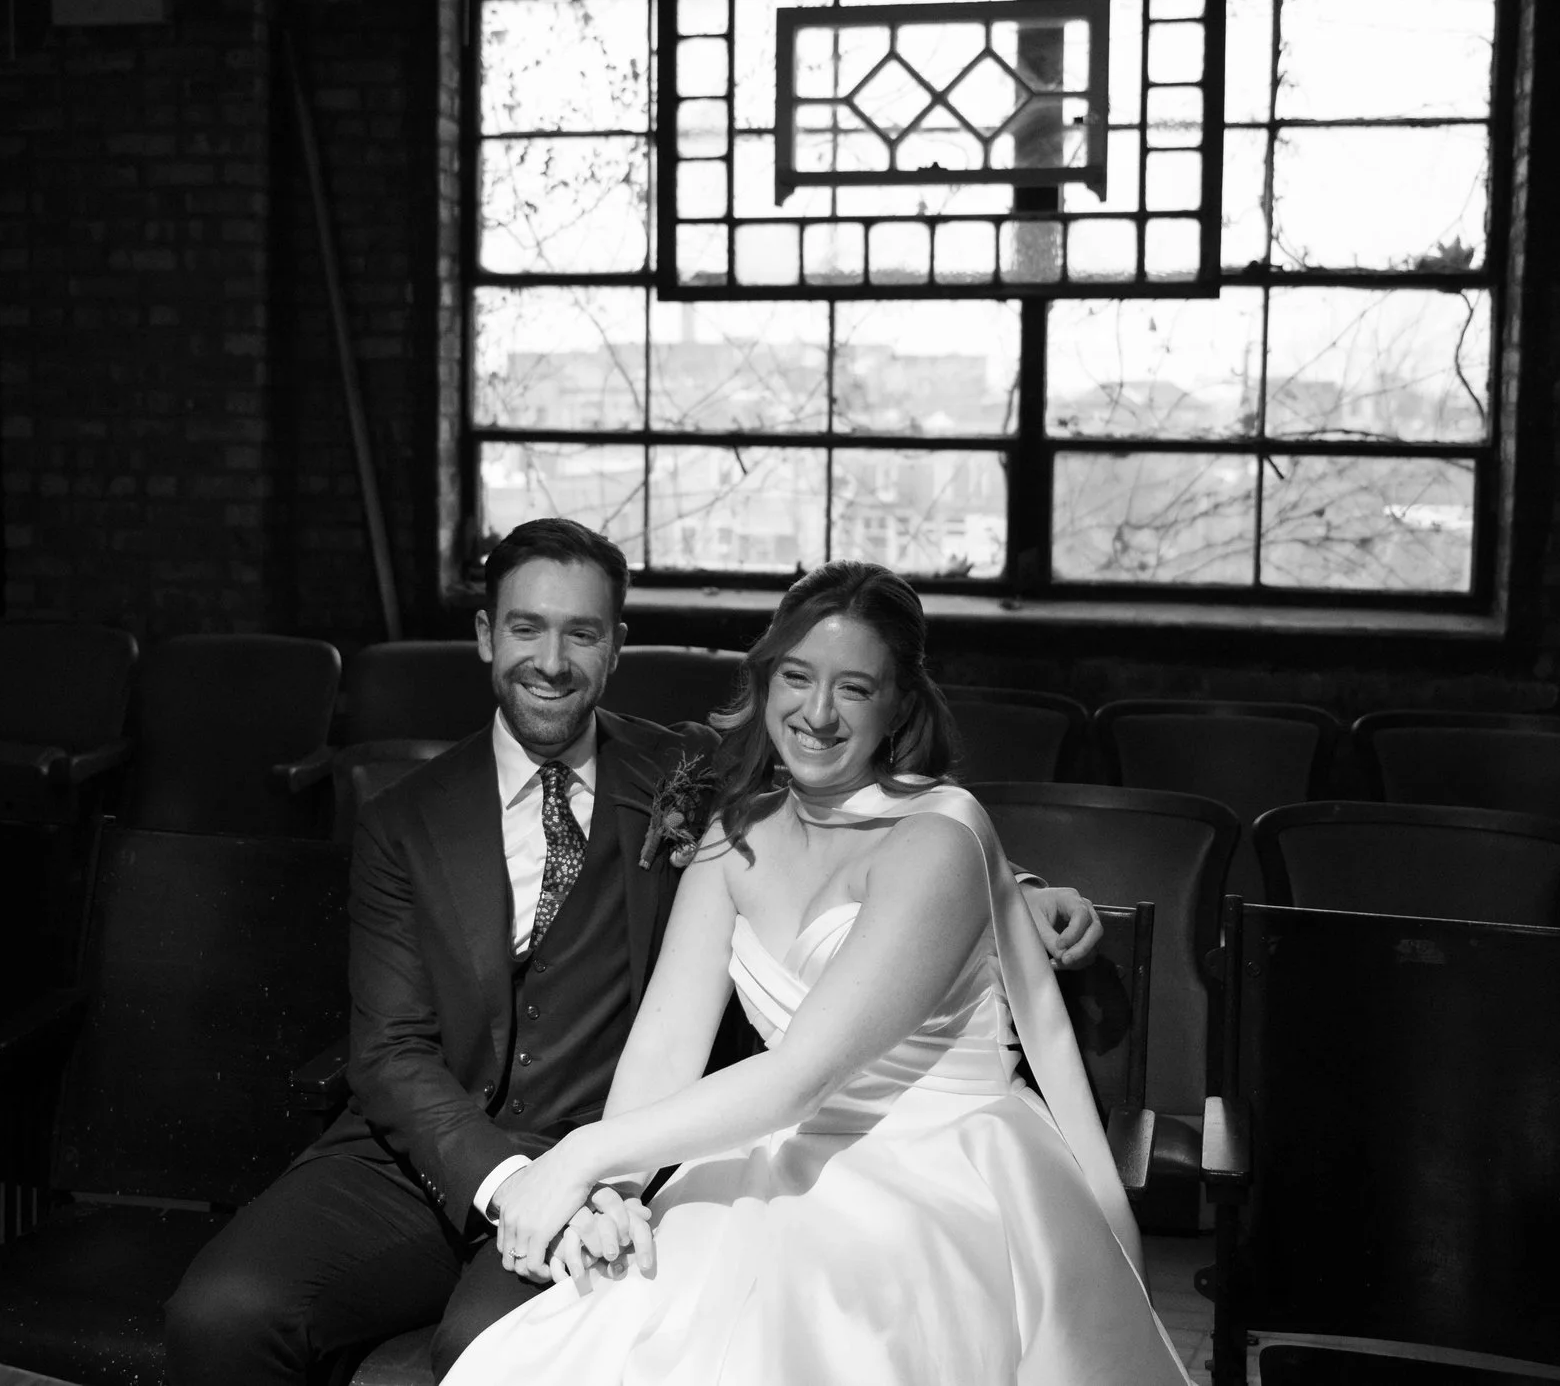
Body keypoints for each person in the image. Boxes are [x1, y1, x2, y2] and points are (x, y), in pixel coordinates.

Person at [164, 522, 1106, 1384]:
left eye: (582, 633)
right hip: (422, 1158)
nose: (552, 660)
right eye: (528, 629)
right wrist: (509, 1179)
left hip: (612, 1149)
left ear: (617, 649)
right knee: (223, 1313)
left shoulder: (690, 779)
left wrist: (1011, 892)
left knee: (500, 1349)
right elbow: (390, 1053)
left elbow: (881, 825)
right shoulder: (403, 816)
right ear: (487, 637)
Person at [440, 559, 1191, 1386]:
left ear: (900, 702)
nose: (818, 713)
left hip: (934, 1165)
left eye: (855, 688)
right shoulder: (735, 835)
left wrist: (577, 1155)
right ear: (765, 681)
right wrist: (613, 1189)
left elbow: (800, 1076)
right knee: (617, 1319)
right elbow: (662, 1045)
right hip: (770, 1149)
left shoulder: (940, 836)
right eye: (796, 677)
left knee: (805, 1329)